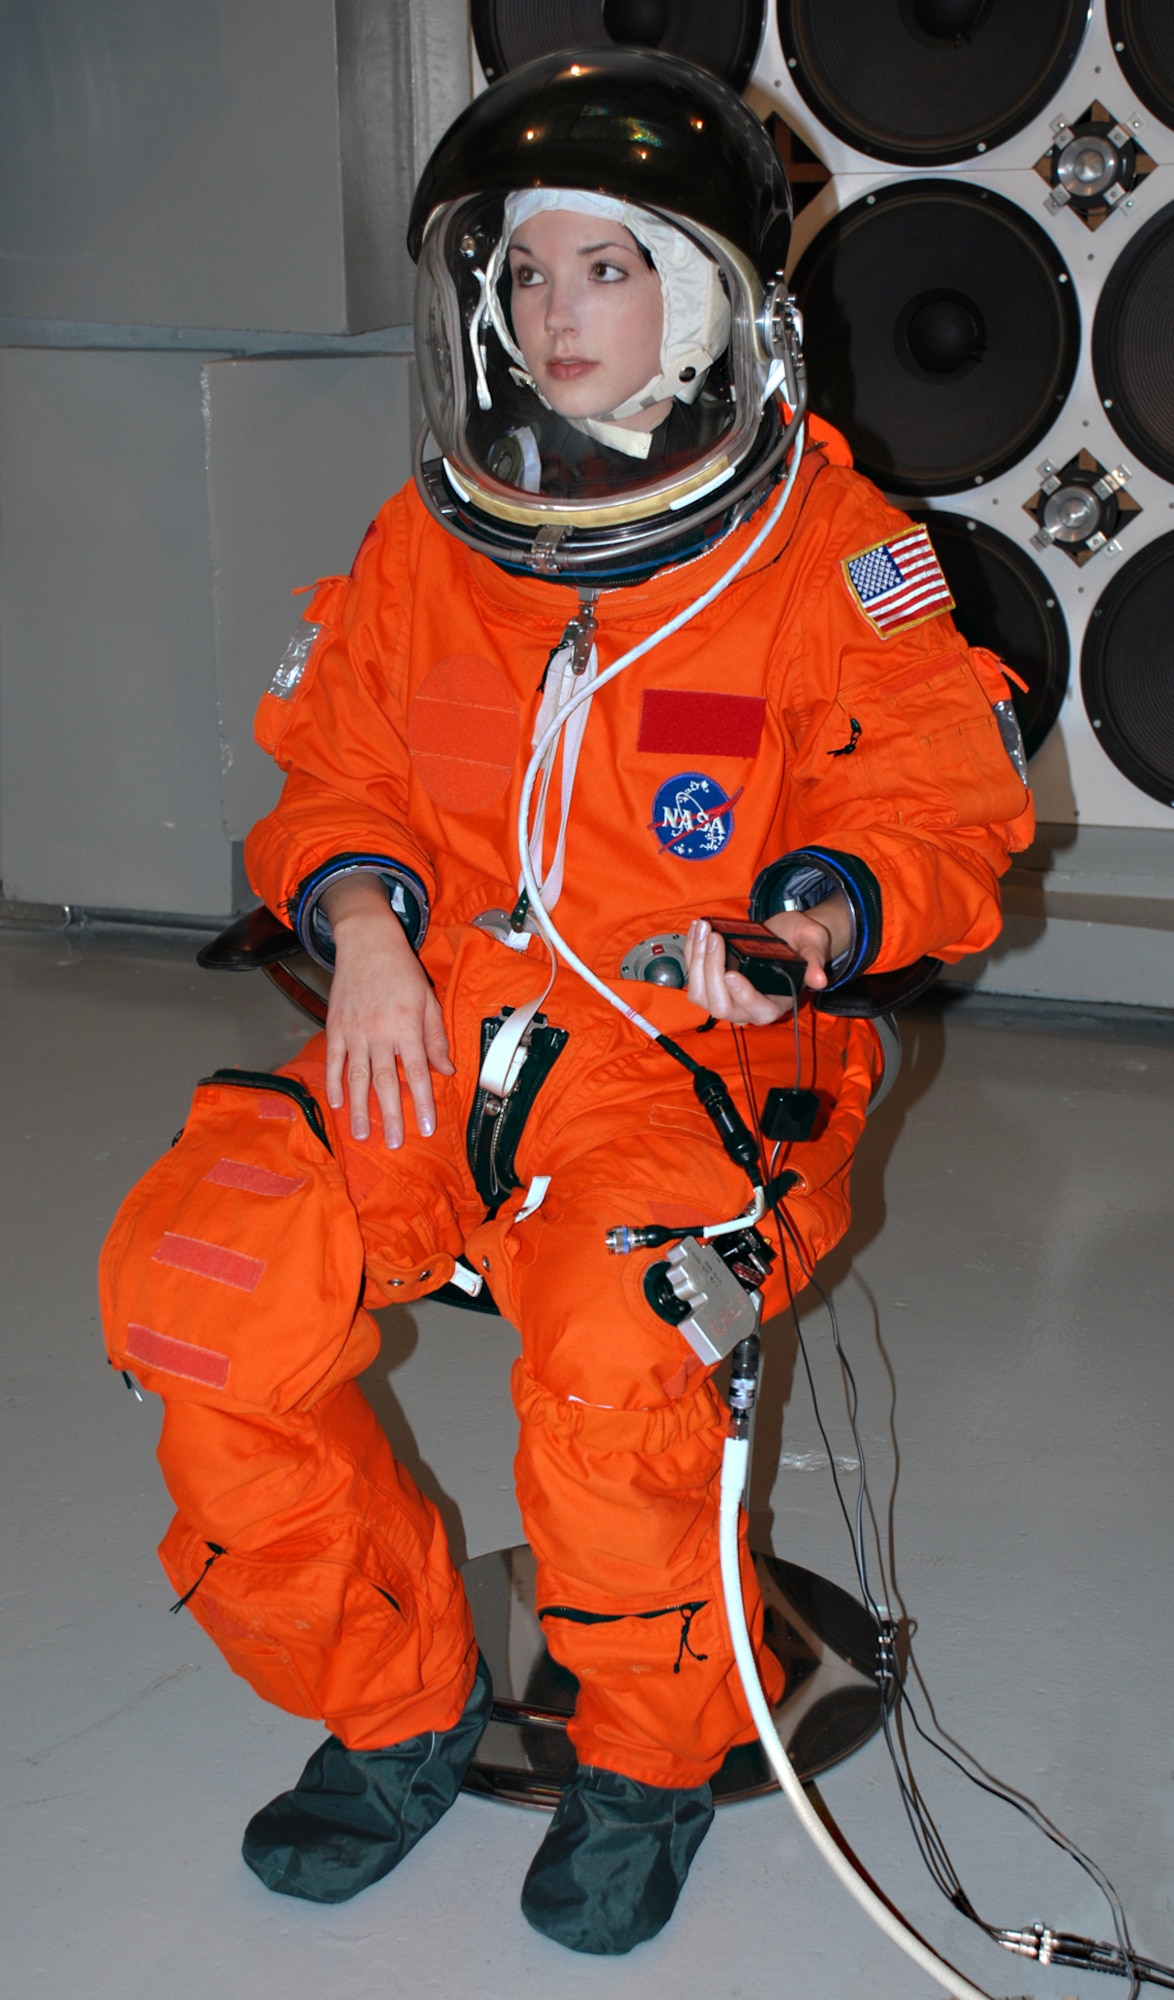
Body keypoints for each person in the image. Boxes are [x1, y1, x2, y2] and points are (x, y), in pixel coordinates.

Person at [100, 48, 1033, 1956]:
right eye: (522, 278)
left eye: (604, 268)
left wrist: (806, 913)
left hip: (699, 1060)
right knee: (202, 1293)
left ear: (701, 295)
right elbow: (337, 782)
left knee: (614, 1367)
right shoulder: (430, 548)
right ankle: (398, 1713)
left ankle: (647, 1765)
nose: (552, 314)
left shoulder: (834, 566)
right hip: (432, 1024)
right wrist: (359, 920)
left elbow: (932, 812)